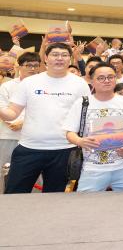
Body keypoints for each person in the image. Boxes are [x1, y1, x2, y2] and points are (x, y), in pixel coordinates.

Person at [1, 43, 91, 193]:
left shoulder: (80, 84)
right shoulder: (29, 82)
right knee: (14, 194)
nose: (59, 58)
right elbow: (12, 113)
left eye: (64, 55)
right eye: (55, 54)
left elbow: (85, 116)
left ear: (70, 59)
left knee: (55, 198)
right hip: (29, 148)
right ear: (46, 58)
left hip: (65, 150)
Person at [64, 62, 123, 192]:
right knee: (86, 202)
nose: (106, 81)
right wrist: (80, 141)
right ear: (92, 81)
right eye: (101, 78)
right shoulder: (82, 103)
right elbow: (69, 133)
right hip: (92, 168)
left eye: (110, 77)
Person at [0, 52, 39, 194]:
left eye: (36, 65)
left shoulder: (43, 86)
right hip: (8, 134)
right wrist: (14, 122)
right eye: (28, 65)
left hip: (34, 137)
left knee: (33, 172)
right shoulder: (7, 86)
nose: (32, 69)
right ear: (19, 66)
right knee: (3, 169)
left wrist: (23, 122)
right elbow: (2, 107)